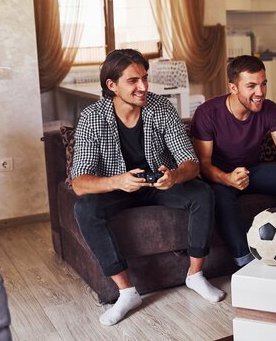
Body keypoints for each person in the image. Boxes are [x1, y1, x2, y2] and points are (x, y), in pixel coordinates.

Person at [70, 49, 224, 326]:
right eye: (133, 81)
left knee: (202, 193)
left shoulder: (161, 107)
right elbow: (79, 182)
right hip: (117, 186)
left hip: (158, 183)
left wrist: (175, 176)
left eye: (144, 78)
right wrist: (118, 181)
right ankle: (127, 292)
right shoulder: (92, 117)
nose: (143, 87)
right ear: (112, 85)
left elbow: (190, 162)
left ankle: (196, 275)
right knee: (84, 208)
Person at [190, 55, 276, 266]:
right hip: (220, 176)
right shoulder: (207, 113)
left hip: (252, 171)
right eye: (251, 86)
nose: (260, 92)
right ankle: (245, 260)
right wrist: (228, 178)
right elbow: (204, 165)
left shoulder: (269, 109)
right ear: (233, 88)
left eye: (263, 84)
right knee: (220, 197)